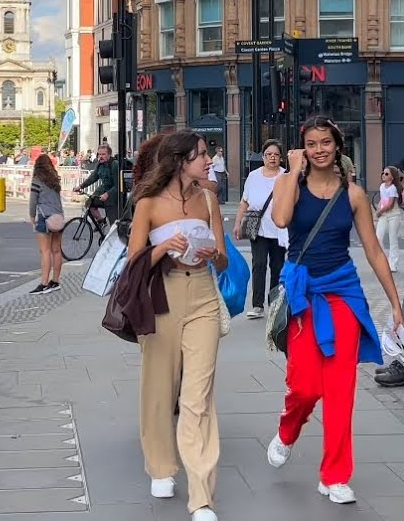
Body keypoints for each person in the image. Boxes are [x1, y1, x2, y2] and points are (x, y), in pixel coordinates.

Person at [266, 116, 403, 505]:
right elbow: (280, 219)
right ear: (303, 149)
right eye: (311, 144)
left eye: (325, 142)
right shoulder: (289, 184)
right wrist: (292, 170)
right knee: (305, 387)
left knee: (341, 389)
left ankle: (336, 475)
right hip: (303, 295)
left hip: (343, 292)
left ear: (337, 145)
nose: (319, 150)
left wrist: (394, 303)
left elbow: (373, 250)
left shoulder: (354, 194)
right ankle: (288, 431)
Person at [126, 131, 227, 521]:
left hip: (203, 294)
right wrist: (164, 247)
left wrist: (213, 255)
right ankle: (161, 466)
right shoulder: (148, 203)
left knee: (198, 396)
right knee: (159, 385)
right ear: (180, 161)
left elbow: (224, 261)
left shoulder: (209, 199)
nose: (208, 159)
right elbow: (134, 262)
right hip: (162, 295)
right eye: (201, 154)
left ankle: (201, 496)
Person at [233, 139, 288, 319]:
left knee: (277, 266)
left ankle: (275, 303)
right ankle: (257, 305)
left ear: (281, 158)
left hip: (279, 230)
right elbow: (244, 201)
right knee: (258, 264)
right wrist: (237, 223)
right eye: (268, 154)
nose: (272, 158)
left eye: (276, 155)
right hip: (257, 229)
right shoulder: (253, 176)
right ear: (263, 157)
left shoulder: (286, 176)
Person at [28, 153, 64, 295]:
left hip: (45, 217)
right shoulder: (55, 180)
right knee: (56, 250)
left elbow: (33, 200)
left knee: (45, 251)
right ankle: (55, 281)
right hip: (58, 217)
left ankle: (43, 283)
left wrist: (32, 216)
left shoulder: (37, 180)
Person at [74, 143, 118, 231]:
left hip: (114, 193)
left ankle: (115, 235)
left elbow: (118, 185)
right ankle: (101, 221)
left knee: (114, 223)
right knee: (89, 203)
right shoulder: (100, 164)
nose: (101, 156)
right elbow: (93, 177)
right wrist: (81, 186)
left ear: (109, 155)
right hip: (103, 188)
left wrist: (108, 194)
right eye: (99, 154)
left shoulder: (114, 164)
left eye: (103, 154)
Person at [374, 166, 402, 272]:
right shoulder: (382, 186)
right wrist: (378, 208)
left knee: (392, 238)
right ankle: (383, 262)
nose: (383, 175)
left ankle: (393, 264)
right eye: (383, 173)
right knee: (378, 237)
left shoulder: (393, 188)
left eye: (386, 174)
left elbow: (390, 204)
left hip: (393, 215)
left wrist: (379, 212)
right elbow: (382, 200)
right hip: (384, 215)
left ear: (392, 177)